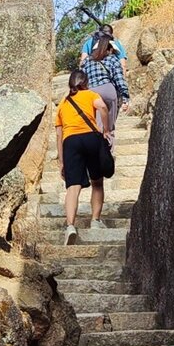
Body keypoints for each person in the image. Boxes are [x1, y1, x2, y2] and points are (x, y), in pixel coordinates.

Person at [55, 64, 113, 244]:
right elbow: (102, 108)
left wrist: (61, 159)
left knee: (72, 187)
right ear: (85, 83)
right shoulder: (90, 95)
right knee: (97, 182)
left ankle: (70, 226)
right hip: (90, 138)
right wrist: (106, 130)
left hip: (70, 142)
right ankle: (95, 221)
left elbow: (58, 134)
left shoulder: (62, 104)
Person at [82, 29, 129, 142]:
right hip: (108, 90)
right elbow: (119, 78)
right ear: (110, 48)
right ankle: (108, 154)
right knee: (109, 126)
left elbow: (82, 77)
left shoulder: (87, 61)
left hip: (91, 93)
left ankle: (95, 155)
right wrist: (125, 97)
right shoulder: (112, 58)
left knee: (96, 126)